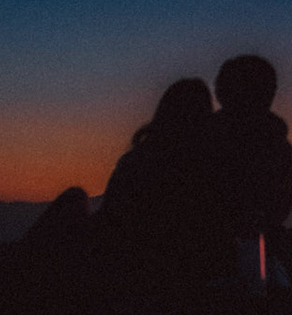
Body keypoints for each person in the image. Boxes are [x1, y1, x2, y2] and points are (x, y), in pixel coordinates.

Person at [93, 76, 230, 284]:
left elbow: (111, 217)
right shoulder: (209, 169)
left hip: (131, 274)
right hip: (189, 279)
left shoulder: (136, 162)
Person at [203, 53, 292, 288]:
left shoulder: (202, 141)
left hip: (207, 261)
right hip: (256, 259)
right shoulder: (281, 150)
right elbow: (278, 212)